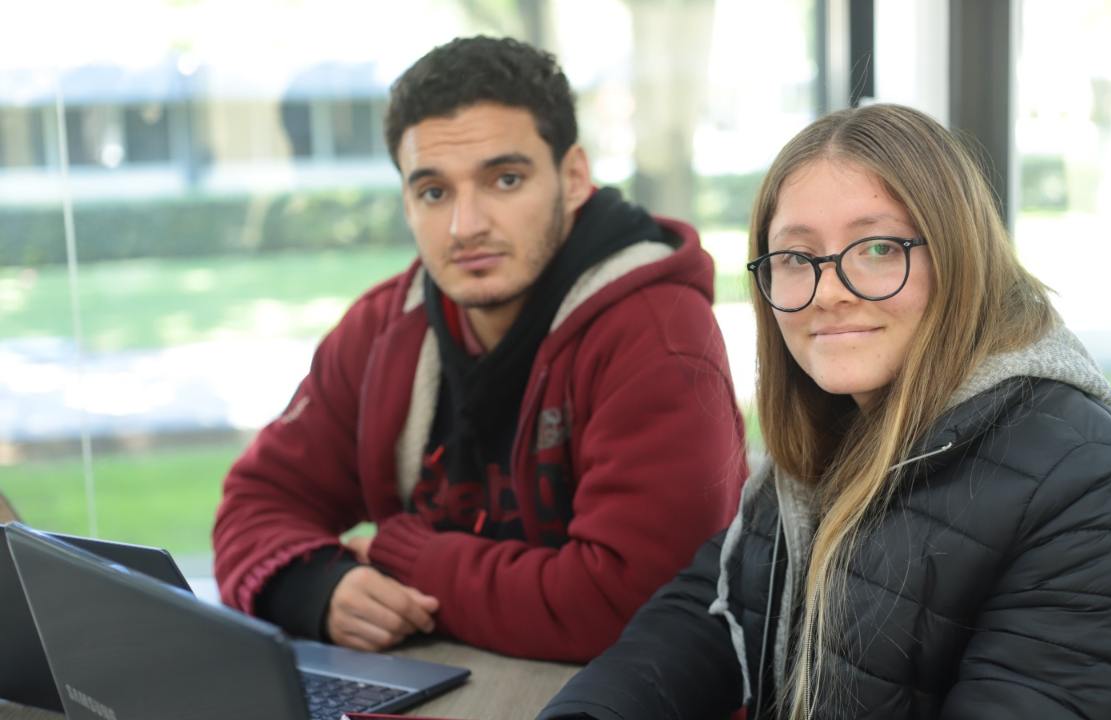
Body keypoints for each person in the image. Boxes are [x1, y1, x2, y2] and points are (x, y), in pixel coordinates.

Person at [538, 104, 1111, 718]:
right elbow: (709, 616)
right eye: (796, 258)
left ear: (959, 259)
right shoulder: (834, 433)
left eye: (878, 249)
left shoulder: (1087, 493)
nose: (827, 293)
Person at [212, 36, 746, 663]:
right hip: (453, 675)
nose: (466, 226)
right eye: (434, 192)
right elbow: (255, 504)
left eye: (505, 179)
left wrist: (404, 555)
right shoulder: (386, 327)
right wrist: (321, 590)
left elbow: (630, 605)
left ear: (573, 178)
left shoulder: (657, 336)